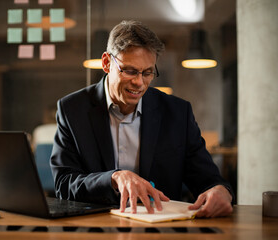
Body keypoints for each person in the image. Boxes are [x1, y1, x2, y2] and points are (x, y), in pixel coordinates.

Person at [50, 20, 233, 218]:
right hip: (96, 225)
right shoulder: (72, 110)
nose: (139, 83)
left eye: (147, 73)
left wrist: (221, 191)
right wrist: (113, 178)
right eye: (129, 71)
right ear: (106, 63)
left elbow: (209, 180)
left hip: (163, 226)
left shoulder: (178, 113)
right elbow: (64, 185)